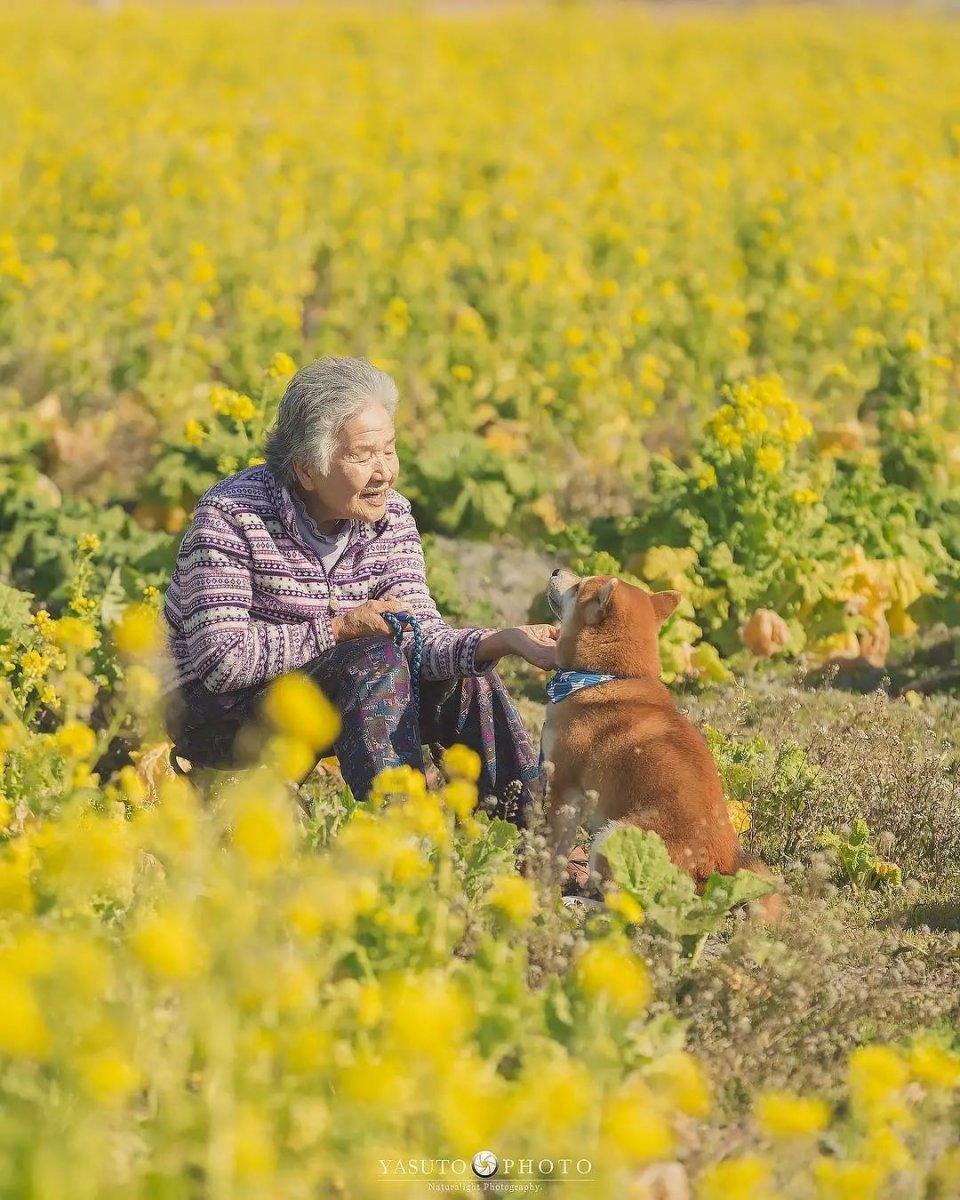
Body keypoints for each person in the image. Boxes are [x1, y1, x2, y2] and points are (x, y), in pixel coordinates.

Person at [160, 355, 559, 834]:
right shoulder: (230, 517)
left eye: (389, 451)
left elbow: (421, 639)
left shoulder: (390, 517)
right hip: (216, 713)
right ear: (307, 470)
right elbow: (222, 663)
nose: (384, 473)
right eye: (363, 455)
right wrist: (338, 628)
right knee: (371, 659)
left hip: (334, 692)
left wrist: (504, 641)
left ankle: (538, 839)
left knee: (465, 679)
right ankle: (406, 842)